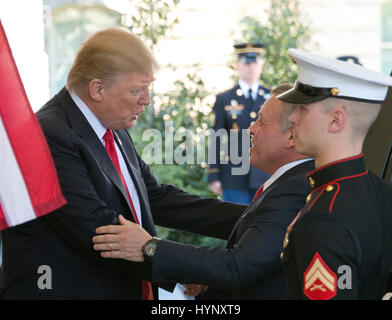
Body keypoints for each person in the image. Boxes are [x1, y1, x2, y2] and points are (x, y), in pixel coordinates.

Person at [0, 28, 246, 300]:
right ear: (97, 89)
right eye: (137, 90)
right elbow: (99, 231)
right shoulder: (48, 134)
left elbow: (154, 198)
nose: (147, 100)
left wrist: (252, 218)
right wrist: (187, 267)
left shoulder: (110, 125)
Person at [92, 84, 314, 299]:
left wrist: (149, 247)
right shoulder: (290, 182)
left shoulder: (294, 188)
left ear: (291, 137)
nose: (251, 129)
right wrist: (201, 271)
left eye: (261, 121)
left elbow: (239, 266)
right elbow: (245, 229)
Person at [277, 48, 392, 300]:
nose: (293, 118)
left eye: (303, 109)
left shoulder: (324, 219)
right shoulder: (382, 193)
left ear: (335, 121)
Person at [207, 42, 270, 204]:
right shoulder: (225, 99)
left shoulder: (271, 98)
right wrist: (213, 175)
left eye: (254, 62)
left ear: (261, 66)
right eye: (246, 63)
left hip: (265, 175)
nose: (251, 67)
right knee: (235, 225)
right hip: (233, 177)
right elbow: (216, 137)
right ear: (237, 66)